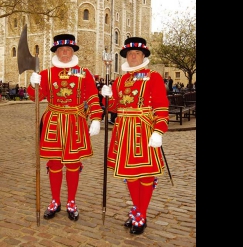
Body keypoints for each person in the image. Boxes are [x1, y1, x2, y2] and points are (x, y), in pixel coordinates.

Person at [28, 34, 103, 221]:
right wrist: (32, 84)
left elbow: (93, 96)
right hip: (53, 122)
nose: (65, 53)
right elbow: (35, 97)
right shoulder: (46, 74)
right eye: (61, 50)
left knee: (72, 164)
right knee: (54, 164)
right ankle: (55, 201)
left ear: (73, 52)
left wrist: (96, 118)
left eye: (68, 50)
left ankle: (71, 201)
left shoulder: (83, 73)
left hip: (75, 122)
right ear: (56, 52)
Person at [101, 36, 169, 235]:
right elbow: (113, 107)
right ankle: (137, 210)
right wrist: (106, 96)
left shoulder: (153, 76)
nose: (133, 56)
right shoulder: (121, 79)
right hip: (123, 132)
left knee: (145, 175)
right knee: (130, 175)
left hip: (143, 130)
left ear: (143, 55)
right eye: (129, 54)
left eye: (137, 53)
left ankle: (141, 214)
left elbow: (161, 105)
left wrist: (158, 130)